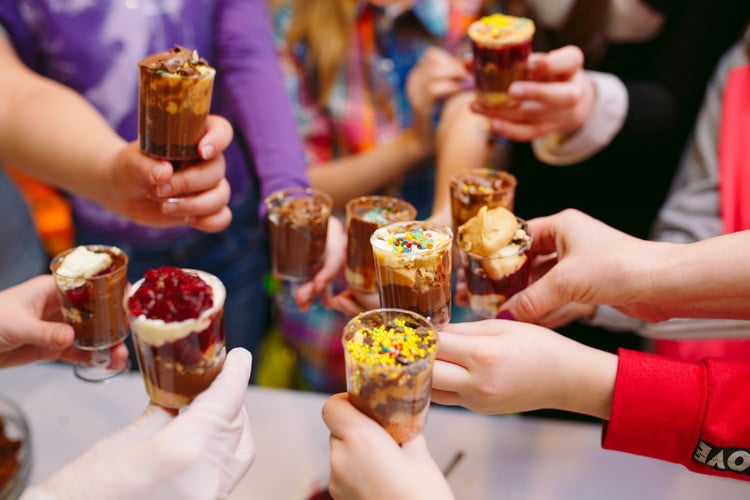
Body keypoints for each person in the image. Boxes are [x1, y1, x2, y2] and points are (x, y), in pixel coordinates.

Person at [0, 1, 343, 360]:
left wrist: (290, 198)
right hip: (105, 243)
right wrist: (108, 173)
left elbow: (248, 57)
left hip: (227, 232)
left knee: (230, 377)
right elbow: (14, 93)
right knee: (128, 383)